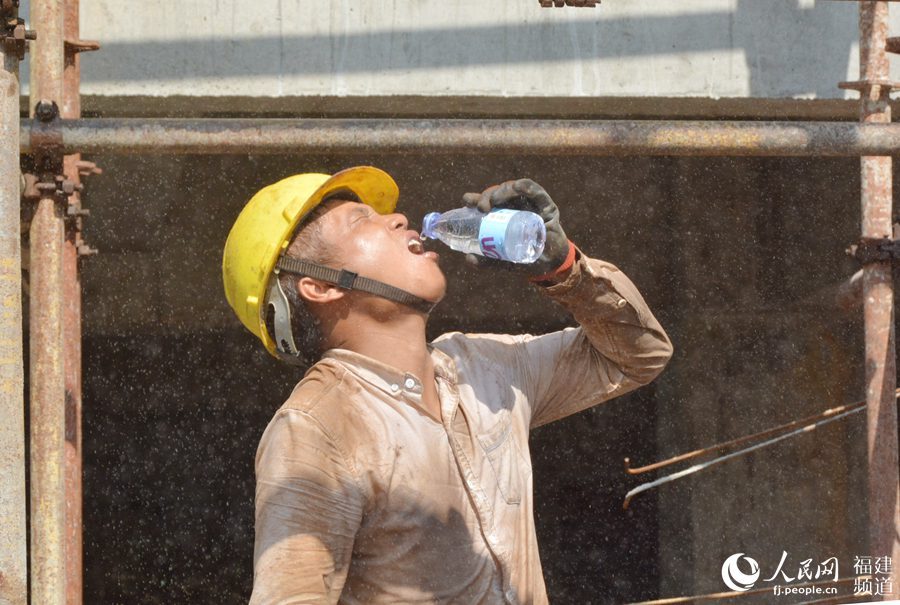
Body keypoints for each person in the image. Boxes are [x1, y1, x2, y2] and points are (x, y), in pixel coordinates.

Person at [221, 166, 673, 605]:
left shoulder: (485, 367)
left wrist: (564, 268)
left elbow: (638, 355)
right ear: (319, 287)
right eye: (361, 219)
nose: (398, 218)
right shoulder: (318, 427)